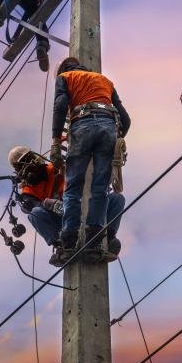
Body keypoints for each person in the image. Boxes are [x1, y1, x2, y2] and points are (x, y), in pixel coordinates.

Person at [51, 57, 130, 262]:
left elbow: (60, 105)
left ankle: (69, 241)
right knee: (100, 189)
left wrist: (55, 141)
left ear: (64, 69)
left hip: (82, 125)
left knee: (73, 188)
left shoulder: (65, 77)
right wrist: (118, 138)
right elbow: (125, 118)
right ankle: (93, 243)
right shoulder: (104, 80)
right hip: (108, 127)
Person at [8, 145, 124, 266]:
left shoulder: (56, 168)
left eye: (28, 160)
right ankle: (62, 247)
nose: (29, 167)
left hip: (83, 208)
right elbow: (32, 208)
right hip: (64, 223)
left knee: (117, 199)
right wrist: (47, 204)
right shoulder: (28, 190)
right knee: (34, 214)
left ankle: (107, 237)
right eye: (22, 165)